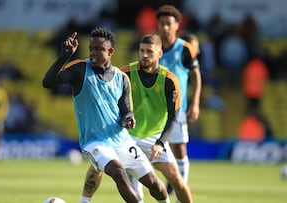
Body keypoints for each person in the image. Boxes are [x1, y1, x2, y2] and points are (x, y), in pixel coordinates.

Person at [42, 27, 169, 203]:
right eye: (91, 49)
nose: (93, 53)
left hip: (122, 140)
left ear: (110, 52)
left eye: (99, 49)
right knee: (118, 171)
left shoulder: (121, 78)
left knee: (155, 185)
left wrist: (128, 118)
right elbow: (48, 83)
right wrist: (65, 56)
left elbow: (126, 110)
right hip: (95, 142)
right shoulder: (80, 69)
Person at [80, 34, 194, 203]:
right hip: (127, 136)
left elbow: (173, 117)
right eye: (142, 51)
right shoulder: (125, 74)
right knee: (97, 167)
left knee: (176, 179)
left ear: (160, 54)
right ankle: (84, 201)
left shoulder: (169, 80)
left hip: (154, 137)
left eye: (149, 51)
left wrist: (160, 143)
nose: (144, 55)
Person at [155, 5, 202, 194]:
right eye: (161, 24)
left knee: (180, 152)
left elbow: (197, 76)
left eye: (169, 24)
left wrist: (196, 103)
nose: (165, 28)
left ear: (176, 26)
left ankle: (180, 191)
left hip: (177, 110)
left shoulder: (185, 49)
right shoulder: (153, 47)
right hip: (155, 110)